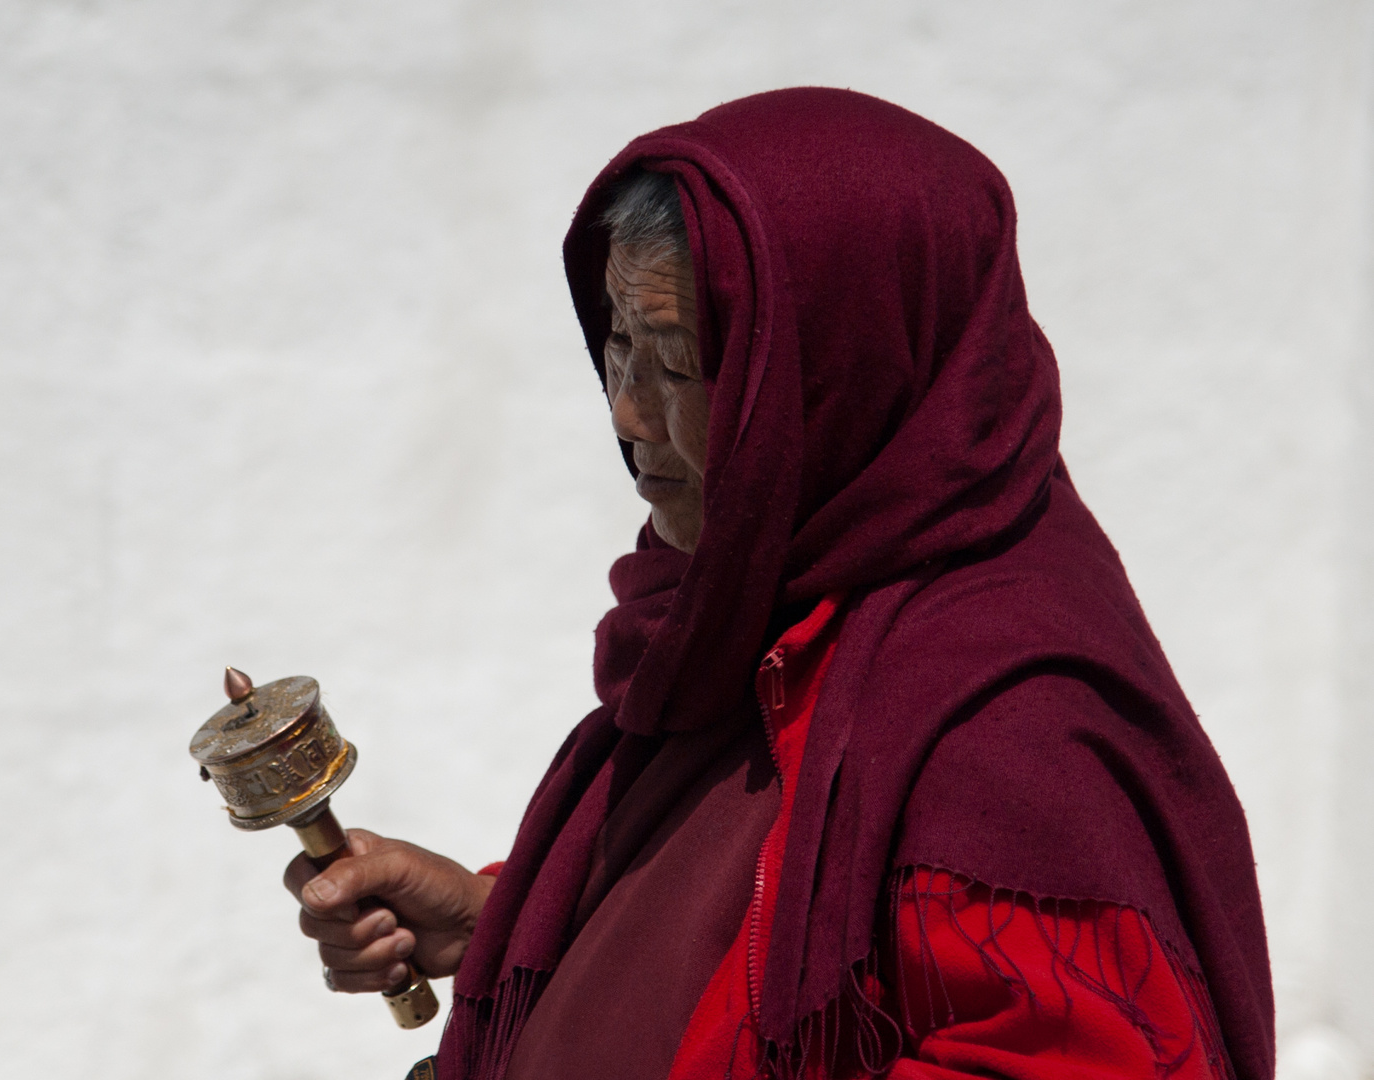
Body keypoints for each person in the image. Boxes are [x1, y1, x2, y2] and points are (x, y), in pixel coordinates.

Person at [284, 88, 1274, 1080]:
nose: (628, 414)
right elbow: (755, 930)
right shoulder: (756, 624)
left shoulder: (1003, 724)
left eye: (679, 362)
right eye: (617, 345)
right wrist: (510, 919)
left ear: (839, 370)